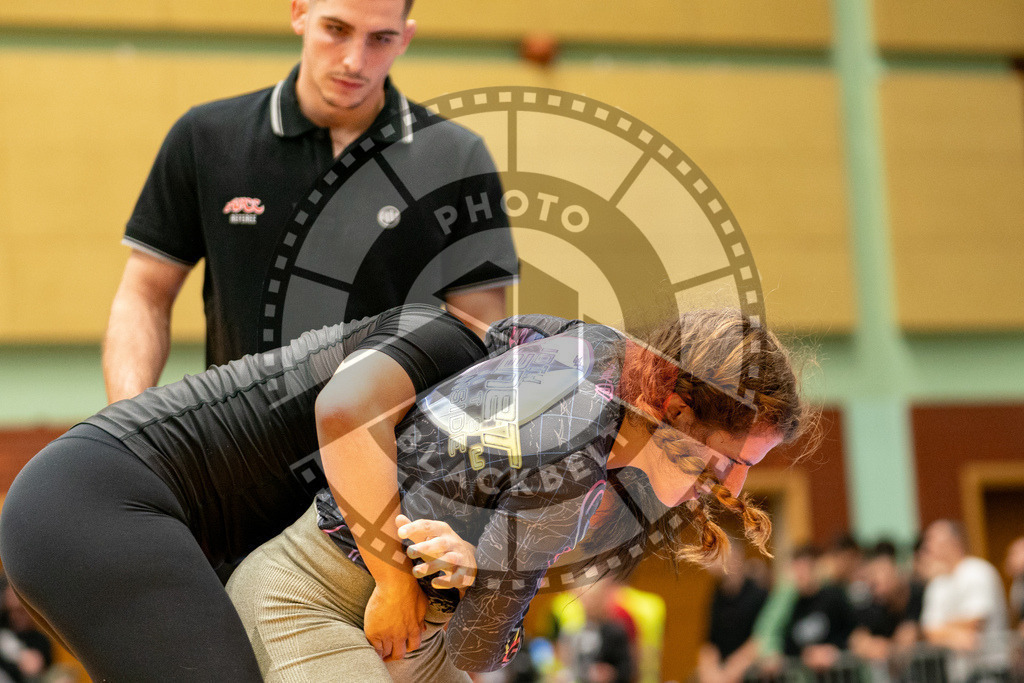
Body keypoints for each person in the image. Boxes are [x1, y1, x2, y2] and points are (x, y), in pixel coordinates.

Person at [224, 307, 813, 680]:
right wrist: (473, 573)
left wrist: (474, 561)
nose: (732, 487)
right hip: (309, 597)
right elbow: (478, 647)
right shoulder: (575, 462)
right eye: (729, 462)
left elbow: (502, 336)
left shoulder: (592, 346)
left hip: (408, 634)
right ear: (676, 410)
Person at [0, 304, 492, 681]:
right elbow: (342, 411)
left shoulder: (486, 453)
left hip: (98, 509)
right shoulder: (449, 342)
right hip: (90, 502)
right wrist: (394, 581)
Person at [103, 0, 517, 403]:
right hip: (239, 456)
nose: (355, 60)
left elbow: (478, 331)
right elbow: (145, 295)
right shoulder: (206, 138)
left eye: (381, 38)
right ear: (300, 13)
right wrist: (129, 428)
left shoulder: (456, 158)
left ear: (405, 39)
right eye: (337, 30)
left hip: (393, 456)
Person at [919, 519, 1009, 678]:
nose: (927, 547)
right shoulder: (938, 582)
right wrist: (952, 635)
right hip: (959, 673)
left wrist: (942, 629)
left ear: (953, 542)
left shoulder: (977, 571)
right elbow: (928, 630)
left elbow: (975, 621)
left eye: (932, 540)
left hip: (989, 669)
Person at [697, 543, 769, 683]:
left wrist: (732, 669)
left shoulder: (758, 593)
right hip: (723, 670)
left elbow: (762, 638)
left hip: (749, 668)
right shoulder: (716, 595)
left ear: (734, 555)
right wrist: (709, 671)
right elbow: (709, 642)